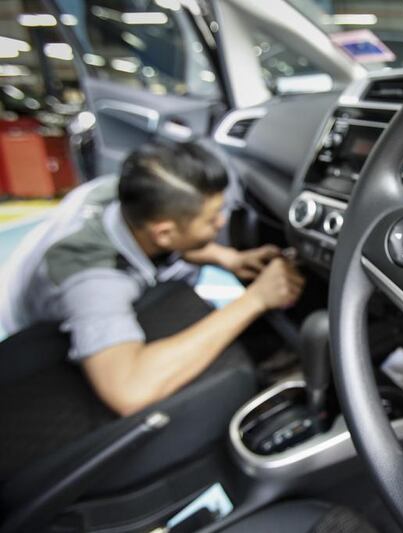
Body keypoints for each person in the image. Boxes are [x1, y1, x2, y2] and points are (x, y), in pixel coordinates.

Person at [0, 140, 305, 416]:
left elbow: (171, 241)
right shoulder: (94, 281)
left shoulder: (124, 195)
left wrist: (228, 258)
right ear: (164, 232)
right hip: (38, 341)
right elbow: (129, 391)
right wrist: (256, 300)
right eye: (211, 218)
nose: (221, 222)